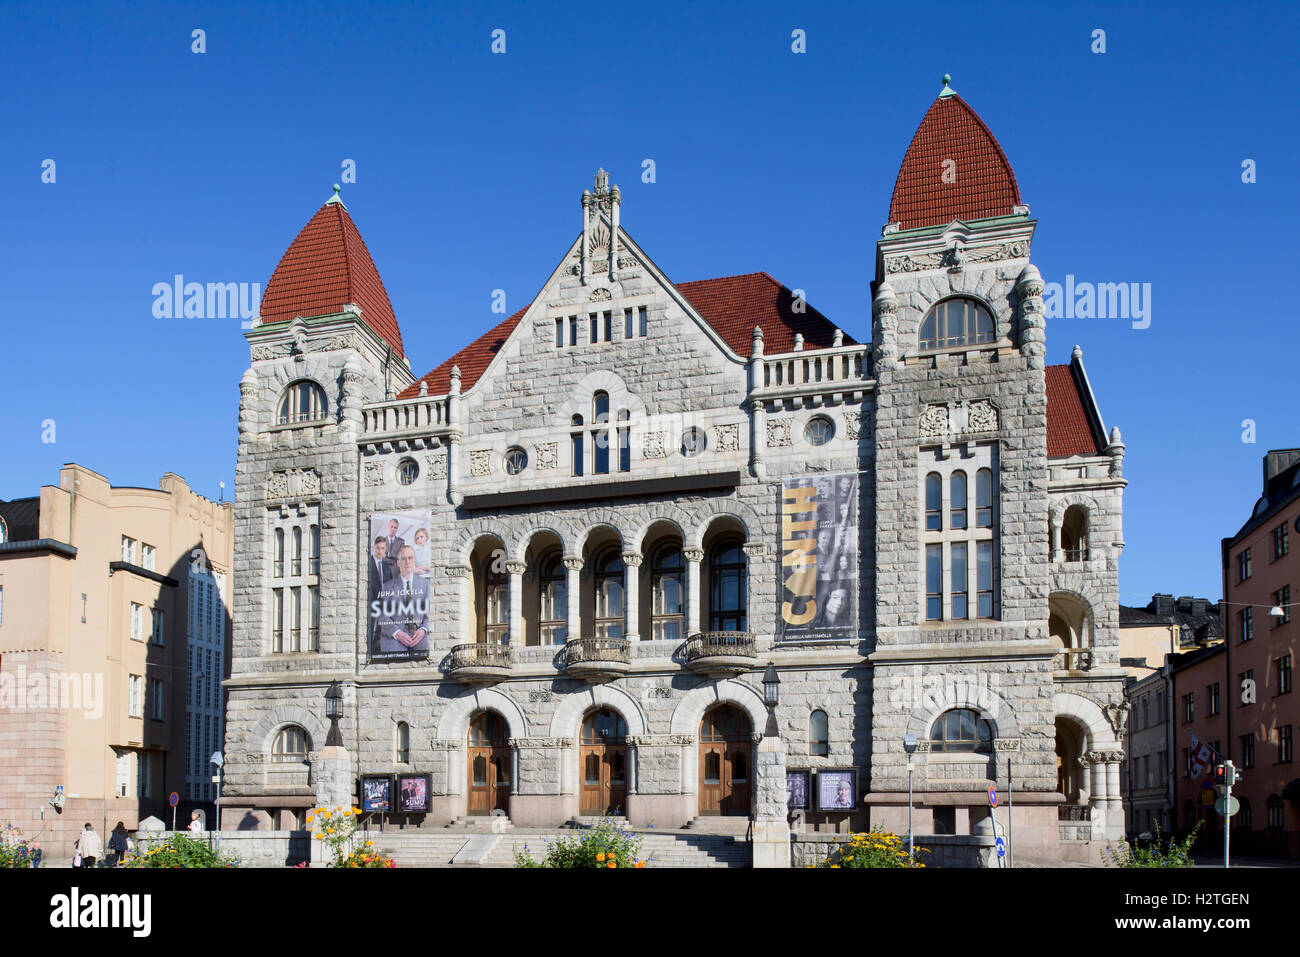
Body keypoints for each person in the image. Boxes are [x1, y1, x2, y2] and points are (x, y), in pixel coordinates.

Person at [374, 545, 430, 655]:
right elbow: (381, 615)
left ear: (414, 560)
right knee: (395, 658)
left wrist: (423, 629)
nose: (407, 562)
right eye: (403, 559)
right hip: (394, 635)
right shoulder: (387, 587)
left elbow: (431, 612)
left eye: (410, 558)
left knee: (428, 656)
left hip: (419, 634)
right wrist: (397, 633)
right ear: (398, 563)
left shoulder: (426, 584)